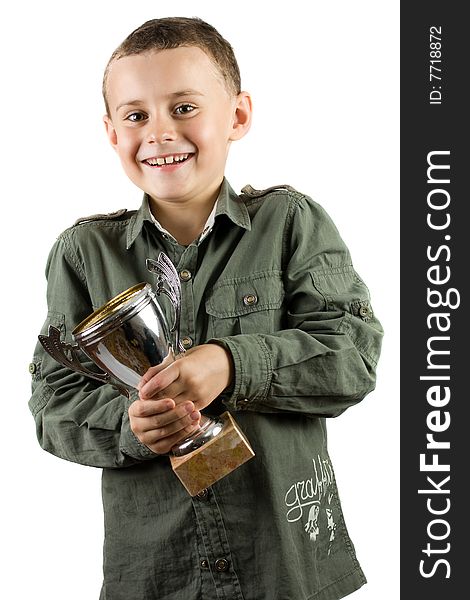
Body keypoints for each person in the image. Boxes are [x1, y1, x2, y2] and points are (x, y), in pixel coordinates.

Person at [29, 16, 383, 600]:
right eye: (136, 115)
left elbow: (354, 355)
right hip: (154, 573)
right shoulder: (83, 254)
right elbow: (52, 404)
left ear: (238, 115)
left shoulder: (290, 222)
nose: (159, 132)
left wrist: (230, 362)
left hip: (284, 565)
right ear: (112, 131)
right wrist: (130, 426)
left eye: (185, 107)